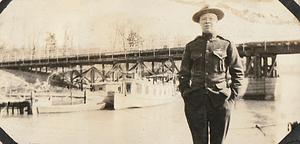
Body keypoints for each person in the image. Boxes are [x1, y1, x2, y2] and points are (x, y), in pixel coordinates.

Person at [178, 6, 244, 144]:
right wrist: (186, 95)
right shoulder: (191, 46)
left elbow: (237, 73)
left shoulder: (227, 44)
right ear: (199, 23)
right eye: (204, 19)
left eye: (211, 19)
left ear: (217, 22)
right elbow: (183, 74)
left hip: (220, 102)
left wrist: (231, 98)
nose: (207, 21)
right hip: (195, 102)